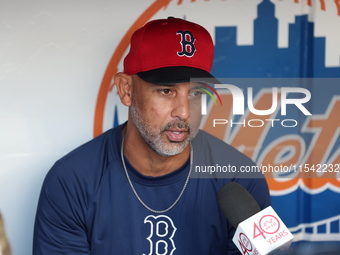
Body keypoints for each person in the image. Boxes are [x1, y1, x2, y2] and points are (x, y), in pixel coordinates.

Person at [33, 17, 271, 254]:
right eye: (166, 91)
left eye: (197, 93)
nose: (184, 112)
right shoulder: (71, 181)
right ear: (126, 90)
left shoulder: (242, 179)